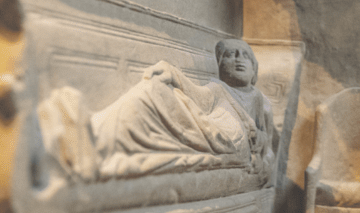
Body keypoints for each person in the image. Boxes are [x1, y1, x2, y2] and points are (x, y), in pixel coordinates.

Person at [36, 39, 274, 184]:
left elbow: (268, 152)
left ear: (254, 70)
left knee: (160, 115)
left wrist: (258, 139)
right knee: (153, 91)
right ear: (220, 66)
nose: (238, 59)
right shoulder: (217, 88)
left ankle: (95, 146)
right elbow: (197, 95)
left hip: (230, 144)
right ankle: (93, 132)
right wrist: (172, 73)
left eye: (245, 56)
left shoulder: (259, 100)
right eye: (230, 55)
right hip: (207, 128)